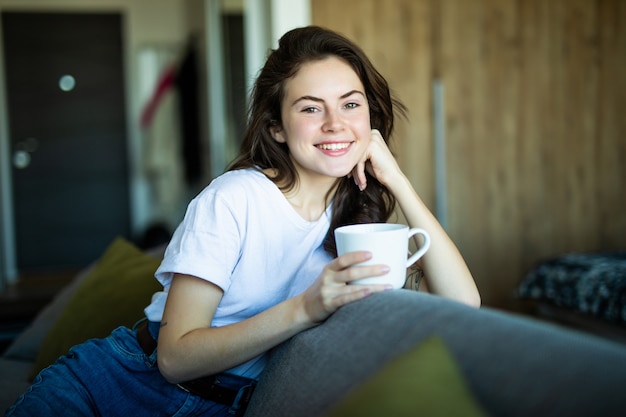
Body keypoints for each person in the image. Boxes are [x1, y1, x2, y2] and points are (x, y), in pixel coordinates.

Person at [6, 25, 480, 417]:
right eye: (311, 108)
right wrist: (308, 307)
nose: (336, 124)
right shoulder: (234, 199)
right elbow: (173, 359)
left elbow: (463, 303)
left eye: (350, 104)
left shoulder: (357, 220)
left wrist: (397, 179)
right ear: (276, 126)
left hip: (225, 407)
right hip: (116, 385)